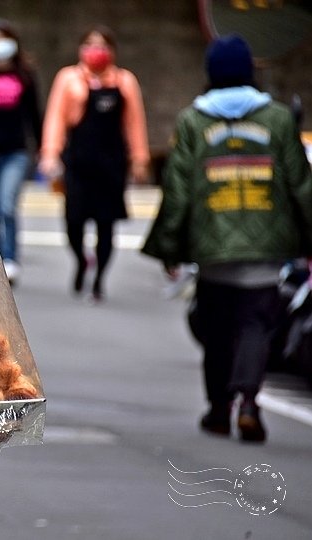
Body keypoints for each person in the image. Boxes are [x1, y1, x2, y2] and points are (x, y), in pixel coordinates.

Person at [141, 34, 312, 443]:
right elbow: (300, 185)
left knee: (217, 329)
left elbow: (178, 190)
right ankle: (249, 402)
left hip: (212, 248)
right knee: (256, 323)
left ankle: (218, 410)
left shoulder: (193, 121)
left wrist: (170, 247)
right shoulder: (277, 119)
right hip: (267, 247)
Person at [39, 24, 149, 301]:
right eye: (90, 44)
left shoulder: (124, 81)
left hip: (111, 163)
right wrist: (50, 154)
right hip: (78, 161)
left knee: (106, 223)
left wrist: (139, 159)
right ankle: (80, 261)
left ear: (112, 51)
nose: (96, 51)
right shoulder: (69, 78)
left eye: (102, 45)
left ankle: (99, 278)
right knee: (73, 221)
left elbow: (135, 123)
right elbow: (56, 118)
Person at [0, 19, 42, 286]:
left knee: (7, 205)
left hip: (16, 151)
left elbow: (35, 115)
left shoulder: (24, 73)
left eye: (1, 37)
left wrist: (43, 148)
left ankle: (10, 259)